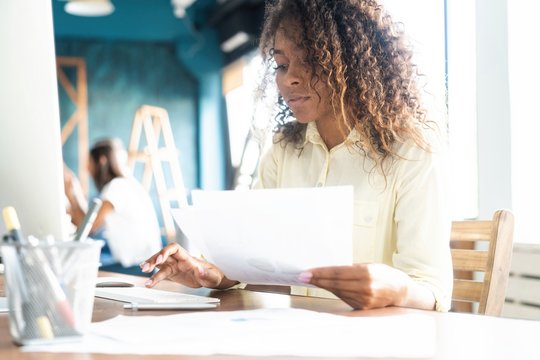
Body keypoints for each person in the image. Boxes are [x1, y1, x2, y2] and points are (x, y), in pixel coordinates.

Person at [140, 0, 453, 311]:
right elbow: (254, 259)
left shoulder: (410, 152)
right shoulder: (284, 151)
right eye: (281, 64)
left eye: (311, 59)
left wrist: (394, 289)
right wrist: (211, 271)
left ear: (352, 62)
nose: (289, 78)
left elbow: (432, 289)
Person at [64, 138, 162, 274]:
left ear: (102, 161)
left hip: (139, 268)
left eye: (90, 163)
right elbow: (87, 222)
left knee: (78, 271)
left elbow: (88, 227)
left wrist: (73, 193)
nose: (87, 168)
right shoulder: (127, 184)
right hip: (144, 265)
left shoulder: (117, 186)